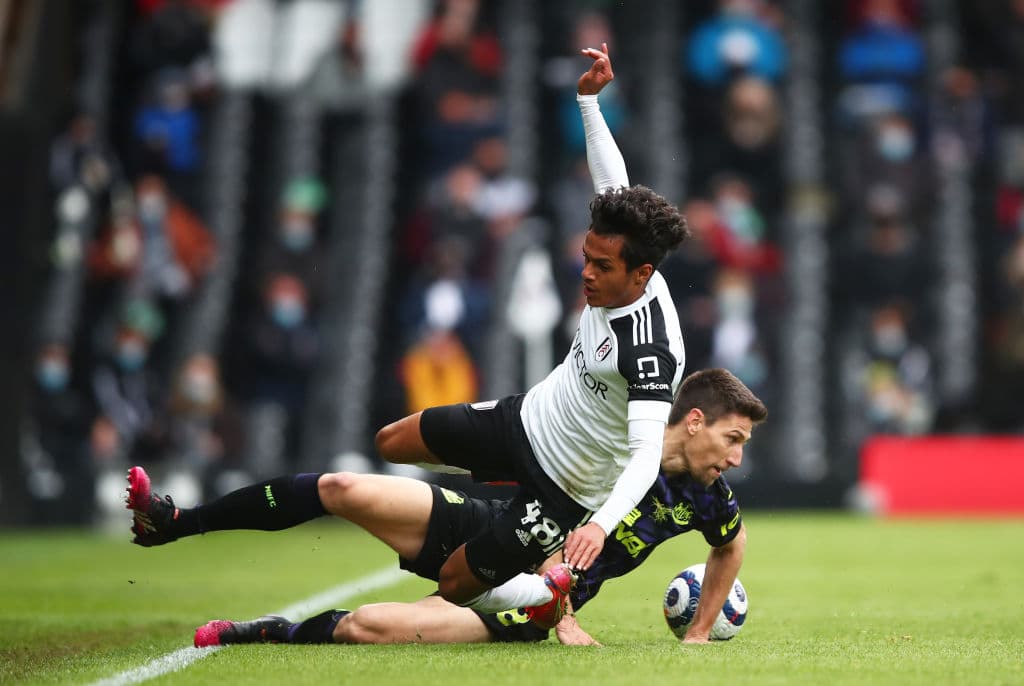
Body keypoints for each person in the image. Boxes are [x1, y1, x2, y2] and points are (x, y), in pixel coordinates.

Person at [371, 42, 689, 628]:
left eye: (602, 267)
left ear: (641, 274)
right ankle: (492, 511)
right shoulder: (621, 249)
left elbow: (646, 455)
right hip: (530, 420)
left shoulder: (650, 348)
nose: (586, 272)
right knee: (391, 442)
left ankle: (531, 587)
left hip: (571, 479)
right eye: (586, 258)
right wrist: (587, 102)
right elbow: (612, 181)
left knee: (454, 583)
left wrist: (598, 524)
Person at [125, 369, 766, 646]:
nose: (736, 458)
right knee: (342, 488)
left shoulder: (706, 497)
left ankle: (264, 631)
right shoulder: (616, 442)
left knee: (365, 626)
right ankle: (176, 521)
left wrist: (701, 632)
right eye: (732, 440)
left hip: (523, 603)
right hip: (483, 519)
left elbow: (730, 544)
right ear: (695, 422)